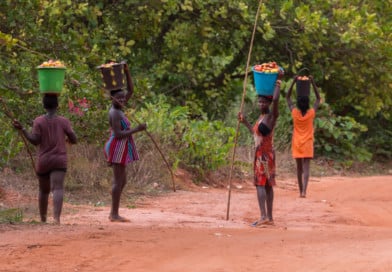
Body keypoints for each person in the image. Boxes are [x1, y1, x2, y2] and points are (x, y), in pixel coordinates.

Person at [12, 94, 77, 224]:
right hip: (59, 159)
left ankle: (43, 220)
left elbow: (35, 141)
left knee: (43, 190)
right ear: (57, 105)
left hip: (44, 160)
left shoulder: (38, 121)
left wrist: (23, 129)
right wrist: (68, 138)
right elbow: (74, 139)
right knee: (57, 188)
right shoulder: (64, 121)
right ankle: (56, 219)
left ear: (44, 105)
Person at [238, 72, 283, 227]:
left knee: (261, 184)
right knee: (267, 184)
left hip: (265, 155)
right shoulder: (261, 118)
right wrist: (245, 122)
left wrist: (278, 81)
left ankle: (264, 216)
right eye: (259, 102)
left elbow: (276, 98)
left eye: (264, 102)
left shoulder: (272, 116)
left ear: (269, 103)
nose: (261, 104)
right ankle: (268, 218)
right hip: (262, 154)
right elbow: (256, 134)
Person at [104, 62, 146, 222]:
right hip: (116, 145)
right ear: (112, 98)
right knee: (118, 180)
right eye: (119, 98)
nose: (122, 99)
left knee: (123, 180)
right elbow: (119, 134)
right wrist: (137, 129)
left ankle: (114, 210)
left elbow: (131, 90)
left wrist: (127, 71)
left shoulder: (119, 108)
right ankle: (113, 214)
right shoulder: (114, 113)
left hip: (121, 146)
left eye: (123, 98)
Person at [286, 75, 321, 198]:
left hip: (297, 143)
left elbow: (287, 97)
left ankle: (300, 190)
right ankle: (304, 191)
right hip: (307, 143)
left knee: (299, 169)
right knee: (306, 169)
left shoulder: (294, 112)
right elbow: (318, 99)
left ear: (298, 103)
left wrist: (293, 82)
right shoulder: (311, 113)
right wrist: (312, 82)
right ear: (307, 103)